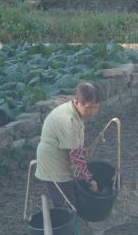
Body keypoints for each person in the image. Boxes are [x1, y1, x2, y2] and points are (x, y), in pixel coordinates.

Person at [35, 82, 101, 211]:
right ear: (77, 102)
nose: (92, 111)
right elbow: (76, 158)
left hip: (61, 156)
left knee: (70, 196)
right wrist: (89, 180)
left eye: (96, 107)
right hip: (53, 162)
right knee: (65, 201)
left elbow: (73, 146)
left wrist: (80, 150)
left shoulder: (74, 112)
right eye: (89, 107)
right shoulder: (69, 119)